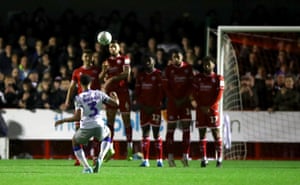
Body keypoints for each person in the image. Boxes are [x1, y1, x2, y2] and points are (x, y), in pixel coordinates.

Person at [54, 74, 119, 173]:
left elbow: (78, 117)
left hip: (86, 127)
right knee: (108, 133)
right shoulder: (99, 93)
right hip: (99, 125)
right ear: (91, 83)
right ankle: (100, 158)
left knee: (75, 141)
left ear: (79, 84)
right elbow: (115, 104)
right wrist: (116, 98)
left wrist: (62, 121)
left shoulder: (79, 98)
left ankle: (86, 167)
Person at [64, 49, 102, 165]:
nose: (87, 58)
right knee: (78, 130)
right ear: (82, 57)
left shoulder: (96, 70)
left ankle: (95, 157)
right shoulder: (77, 71)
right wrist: (67, 101)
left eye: (89, 56)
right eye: (85, 56)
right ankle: (79, 158)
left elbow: (101, 83)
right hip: (81, 104)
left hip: (94, 104)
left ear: (92, 58)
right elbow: (71, 87)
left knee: (96, 131)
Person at [99, 40, 133, 161]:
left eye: (114, 46)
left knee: (126, 120)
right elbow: (100, 78)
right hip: (111, 94)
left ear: (119, 48)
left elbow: (126, 73)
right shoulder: (106, 62)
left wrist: (112, 79)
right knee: (110, 121)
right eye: (110, 47)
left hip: (123, 93)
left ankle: (130, 148)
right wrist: (103, 71)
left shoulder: (126, 58)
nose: (112, 48)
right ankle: (110, 148)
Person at [162, 50, 193, 167]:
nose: (176, 59)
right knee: (170, 128)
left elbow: (191, 86)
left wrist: (184, 98)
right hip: (173, 103)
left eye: (178, 56)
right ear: (172, 58)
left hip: (185, 103)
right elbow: (166, 88)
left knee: (186, 128)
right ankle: (170, 157)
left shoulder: (188, 69)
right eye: (174, 57)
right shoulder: (168, 70)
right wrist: (175, 99)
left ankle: (185, 156)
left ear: (182, 57)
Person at [191, 56, 224, 168]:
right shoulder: (197, 78)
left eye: (209, 64)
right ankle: (204, 159)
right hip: (201, 109)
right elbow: (195, 93)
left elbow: (219, 95)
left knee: (216, 132)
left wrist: (209, 106)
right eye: (205, 64)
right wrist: (201, 106)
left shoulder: (219, 78)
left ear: (213, 65)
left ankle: (219, 158)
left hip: (213, 109)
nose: (206, 66)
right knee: (202, 133)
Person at [134, 56, 164, 167]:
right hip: (144, 108)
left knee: (156, 133)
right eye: (146, 61)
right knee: (145, 132)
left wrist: (154, 106)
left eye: (149, 61)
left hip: (155, 108)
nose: (147, 63)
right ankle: (145, 160)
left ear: (154, 63)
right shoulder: (140, 76)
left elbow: (161, 93)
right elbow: (137, 92)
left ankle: (159, 160)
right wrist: (142, 105)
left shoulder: (159, 74)